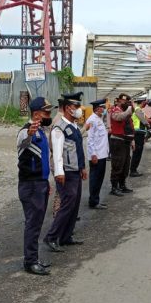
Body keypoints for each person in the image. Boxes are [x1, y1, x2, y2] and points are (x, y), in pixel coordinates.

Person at [43, 92, 87, 253]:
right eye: (76, 107)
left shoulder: (74, 126)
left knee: (74, 205)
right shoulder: (59, 128)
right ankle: (52, 237)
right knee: (67, 205)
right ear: (68, 108)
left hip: (75, 170)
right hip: (66, 173)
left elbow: (78, 150)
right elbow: (57, 152)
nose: (79, 110)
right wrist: (59, 173)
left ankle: (66, 236)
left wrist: (82, 167)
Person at [16, 97, 55, 275]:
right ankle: (30, 262)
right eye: (46, 112)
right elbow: (23, 144)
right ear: (36, 113)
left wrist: (46, 182)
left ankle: (33, 258)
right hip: (31, 185)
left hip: (40, 184)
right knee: (32, 223)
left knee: (37, 223)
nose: (49, 115)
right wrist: (30, 134)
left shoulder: (41, 131)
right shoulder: (26, 131)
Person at [108, 93, 135, 196]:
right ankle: (114, 187)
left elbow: (130, 127)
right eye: (123, 101)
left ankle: (122, 185)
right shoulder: (115, 110)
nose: (125, 103)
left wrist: (132, 140)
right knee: (117, 164)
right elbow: (119, 118)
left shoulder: (125, 111)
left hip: (125, 141)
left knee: (125, 164)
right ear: (118, 100)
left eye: (127, 101)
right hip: (117, 140)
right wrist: (129, 109)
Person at [85, 99, 109, 209]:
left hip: (102, 154)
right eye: (102, 108)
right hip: (97, 156)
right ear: (97, 109)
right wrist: (93, 154)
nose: (103, 109)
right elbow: (90, 139)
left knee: (99, 178)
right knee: (95, 179)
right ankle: (93, 201)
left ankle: (96, 199)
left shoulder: (98, 119)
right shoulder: (92, 120)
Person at [130, 97, 149, 177]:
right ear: (142, 102)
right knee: (137, 152)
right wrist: (147, 124)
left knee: (137, 152)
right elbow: (143, 121)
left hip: (139, 133)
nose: (146, 104)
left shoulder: (138, 109)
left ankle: (134, 169)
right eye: (145, 102)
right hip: (137, 133)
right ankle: (133, 170)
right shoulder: (138, 110)